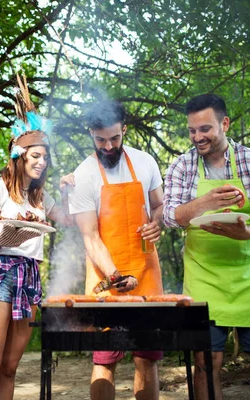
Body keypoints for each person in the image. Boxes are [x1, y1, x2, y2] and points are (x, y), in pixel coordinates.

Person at [163, 93, 250, 400]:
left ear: (225, 124)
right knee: (206, 361)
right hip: (203, 273)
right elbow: (169, 216)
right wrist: (205, 202)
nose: (197, 137)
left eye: (204, 129)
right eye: (192, 130)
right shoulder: (181, 166)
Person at [0, 75, 72, 399]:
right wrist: (12, 230)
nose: (42, 163)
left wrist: (68, 191)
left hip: (29, 273)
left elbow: (68, 221)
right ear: (19, 155)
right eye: (35, 156)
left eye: (45, 157)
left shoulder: (42, 198)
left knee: (12, 367)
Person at [63, 99, 164, 400]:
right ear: (91, 134)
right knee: (105, 360)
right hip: (105, 278)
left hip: (146, 274)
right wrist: (116, 276)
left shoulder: (145, 162)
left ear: (124, 130)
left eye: (115, 138)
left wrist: (157, 222)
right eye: (100, 140)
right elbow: (90, 237)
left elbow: (159, 205)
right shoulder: (83, 176)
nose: (108, 146)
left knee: (146, 358)